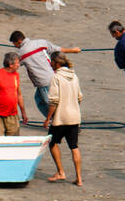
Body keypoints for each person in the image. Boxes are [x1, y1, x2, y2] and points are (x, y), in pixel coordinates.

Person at [10, 30, 81, 118]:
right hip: (55, 75)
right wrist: (73, 50)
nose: (14, 46)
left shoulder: (20, 53)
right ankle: (57, 121)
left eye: (14, 44)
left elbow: (13, 65)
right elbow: (58, 49)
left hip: (43, 81)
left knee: (50, 103)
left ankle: (59, 122)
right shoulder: (41, 43)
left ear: (19, 41)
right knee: (39, 99)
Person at [44, 51, 84, 185]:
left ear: (57, 63)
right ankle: (79, 178)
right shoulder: (75, 76)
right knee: (74, 146)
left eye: (52, 62)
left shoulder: (56, 78)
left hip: (61, 118)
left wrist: (48, 118)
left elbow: (53, 101)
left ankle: (61, 172)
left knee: (53, 143)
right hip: (74, 116)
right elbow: (79, 97)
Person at [0, 51, 26, 137]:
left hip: (12, 114)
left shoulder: (16, 75)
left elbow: (19, 95)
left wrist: (23, 112)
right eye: (17, 63)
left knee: (13, 141)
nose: (19, 65)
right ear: (11, 65)